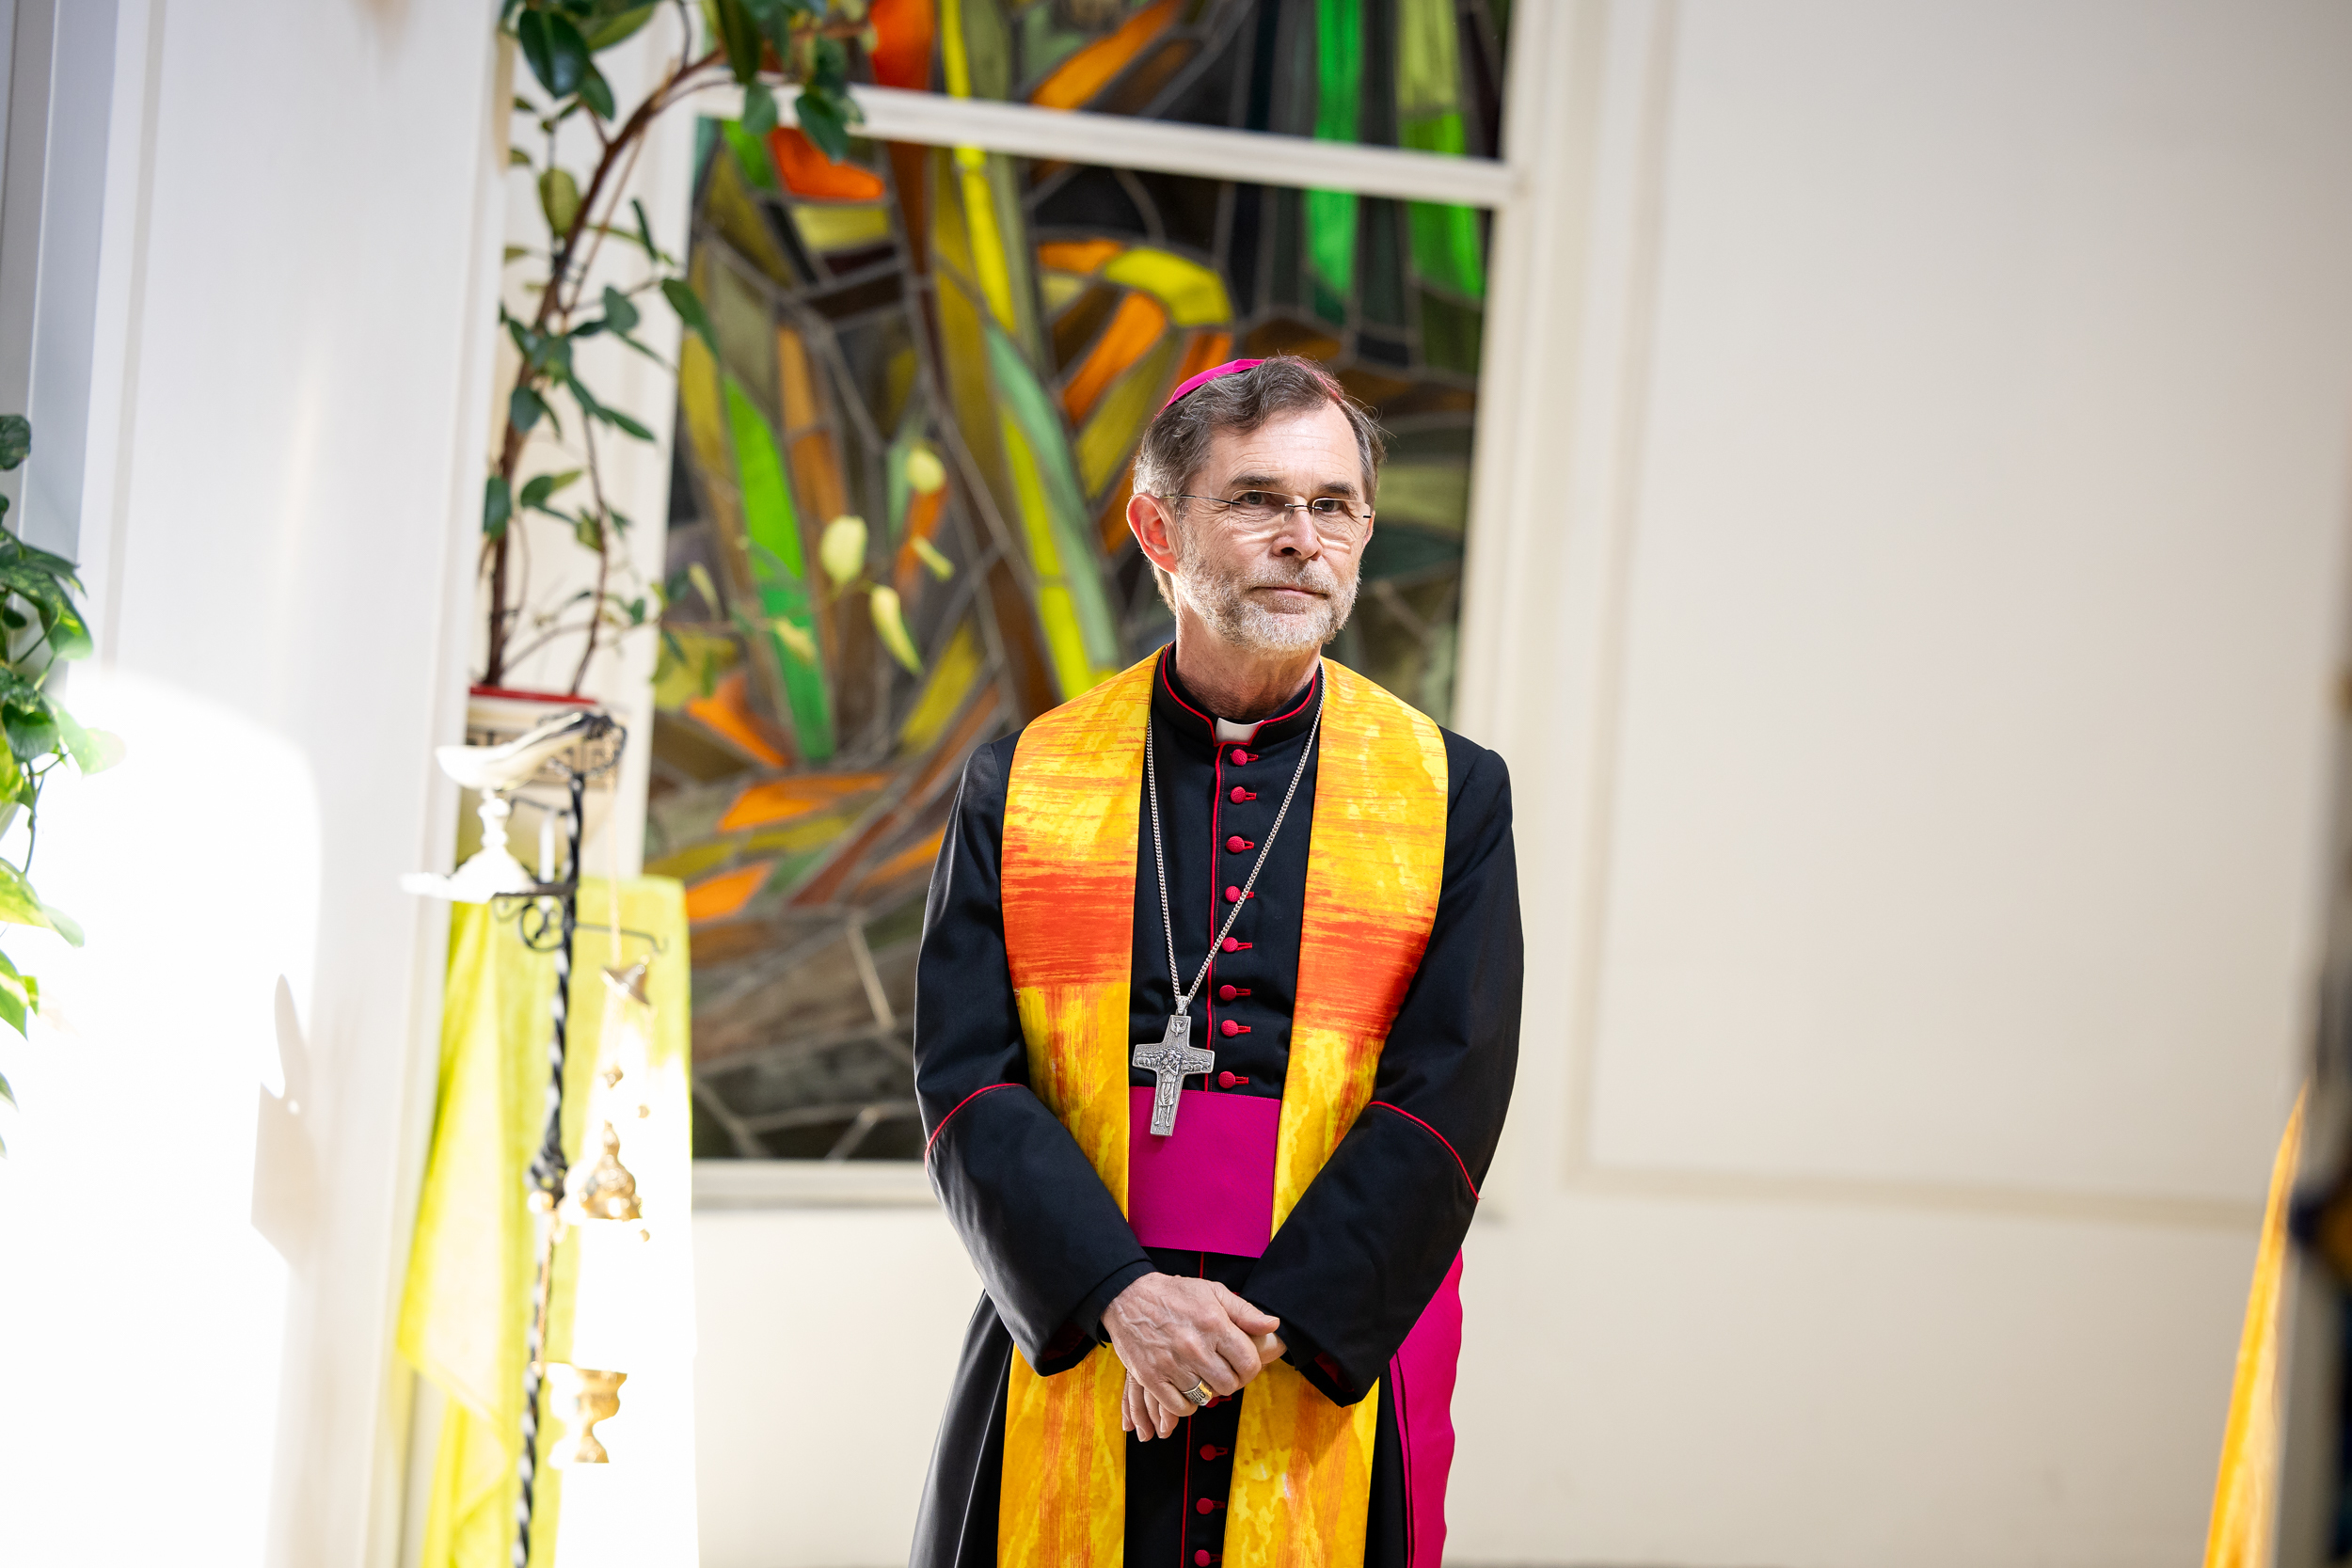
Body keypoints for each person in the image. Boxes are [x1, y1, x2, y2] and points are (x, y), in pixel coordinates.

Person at [910, 356, 1522, 1568]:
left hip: (1319, 1340)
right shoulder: (1024, 781)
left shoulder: (1451, 791)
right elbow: (967, 1079)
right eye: (1257, 500)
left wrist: (1264, 1328)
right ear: (1158, 529)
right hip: (1087, 1317)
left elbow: (1451, 1091)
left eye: (1334, 505)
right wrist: (1122, 1298)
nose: (1304, 538)